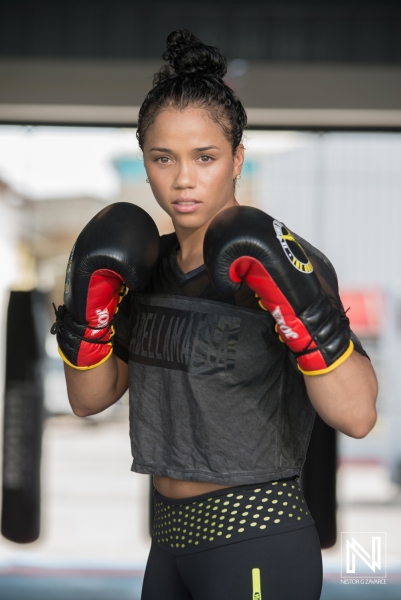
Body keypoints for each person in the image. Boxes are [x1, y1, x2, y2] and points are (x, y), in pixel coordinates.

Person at [55, 30, 378, 600]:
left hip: (257, 536)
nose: (183, 179)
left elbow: (356, 416)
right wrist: (87, 313)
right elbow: (88, 399)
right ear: (146, 162)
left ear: (236, 159)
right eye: (163, 158)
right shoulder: (140, 265)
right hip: (169, 543)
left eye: (205, 157)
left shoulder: (280, 259)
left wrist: (304, 316)